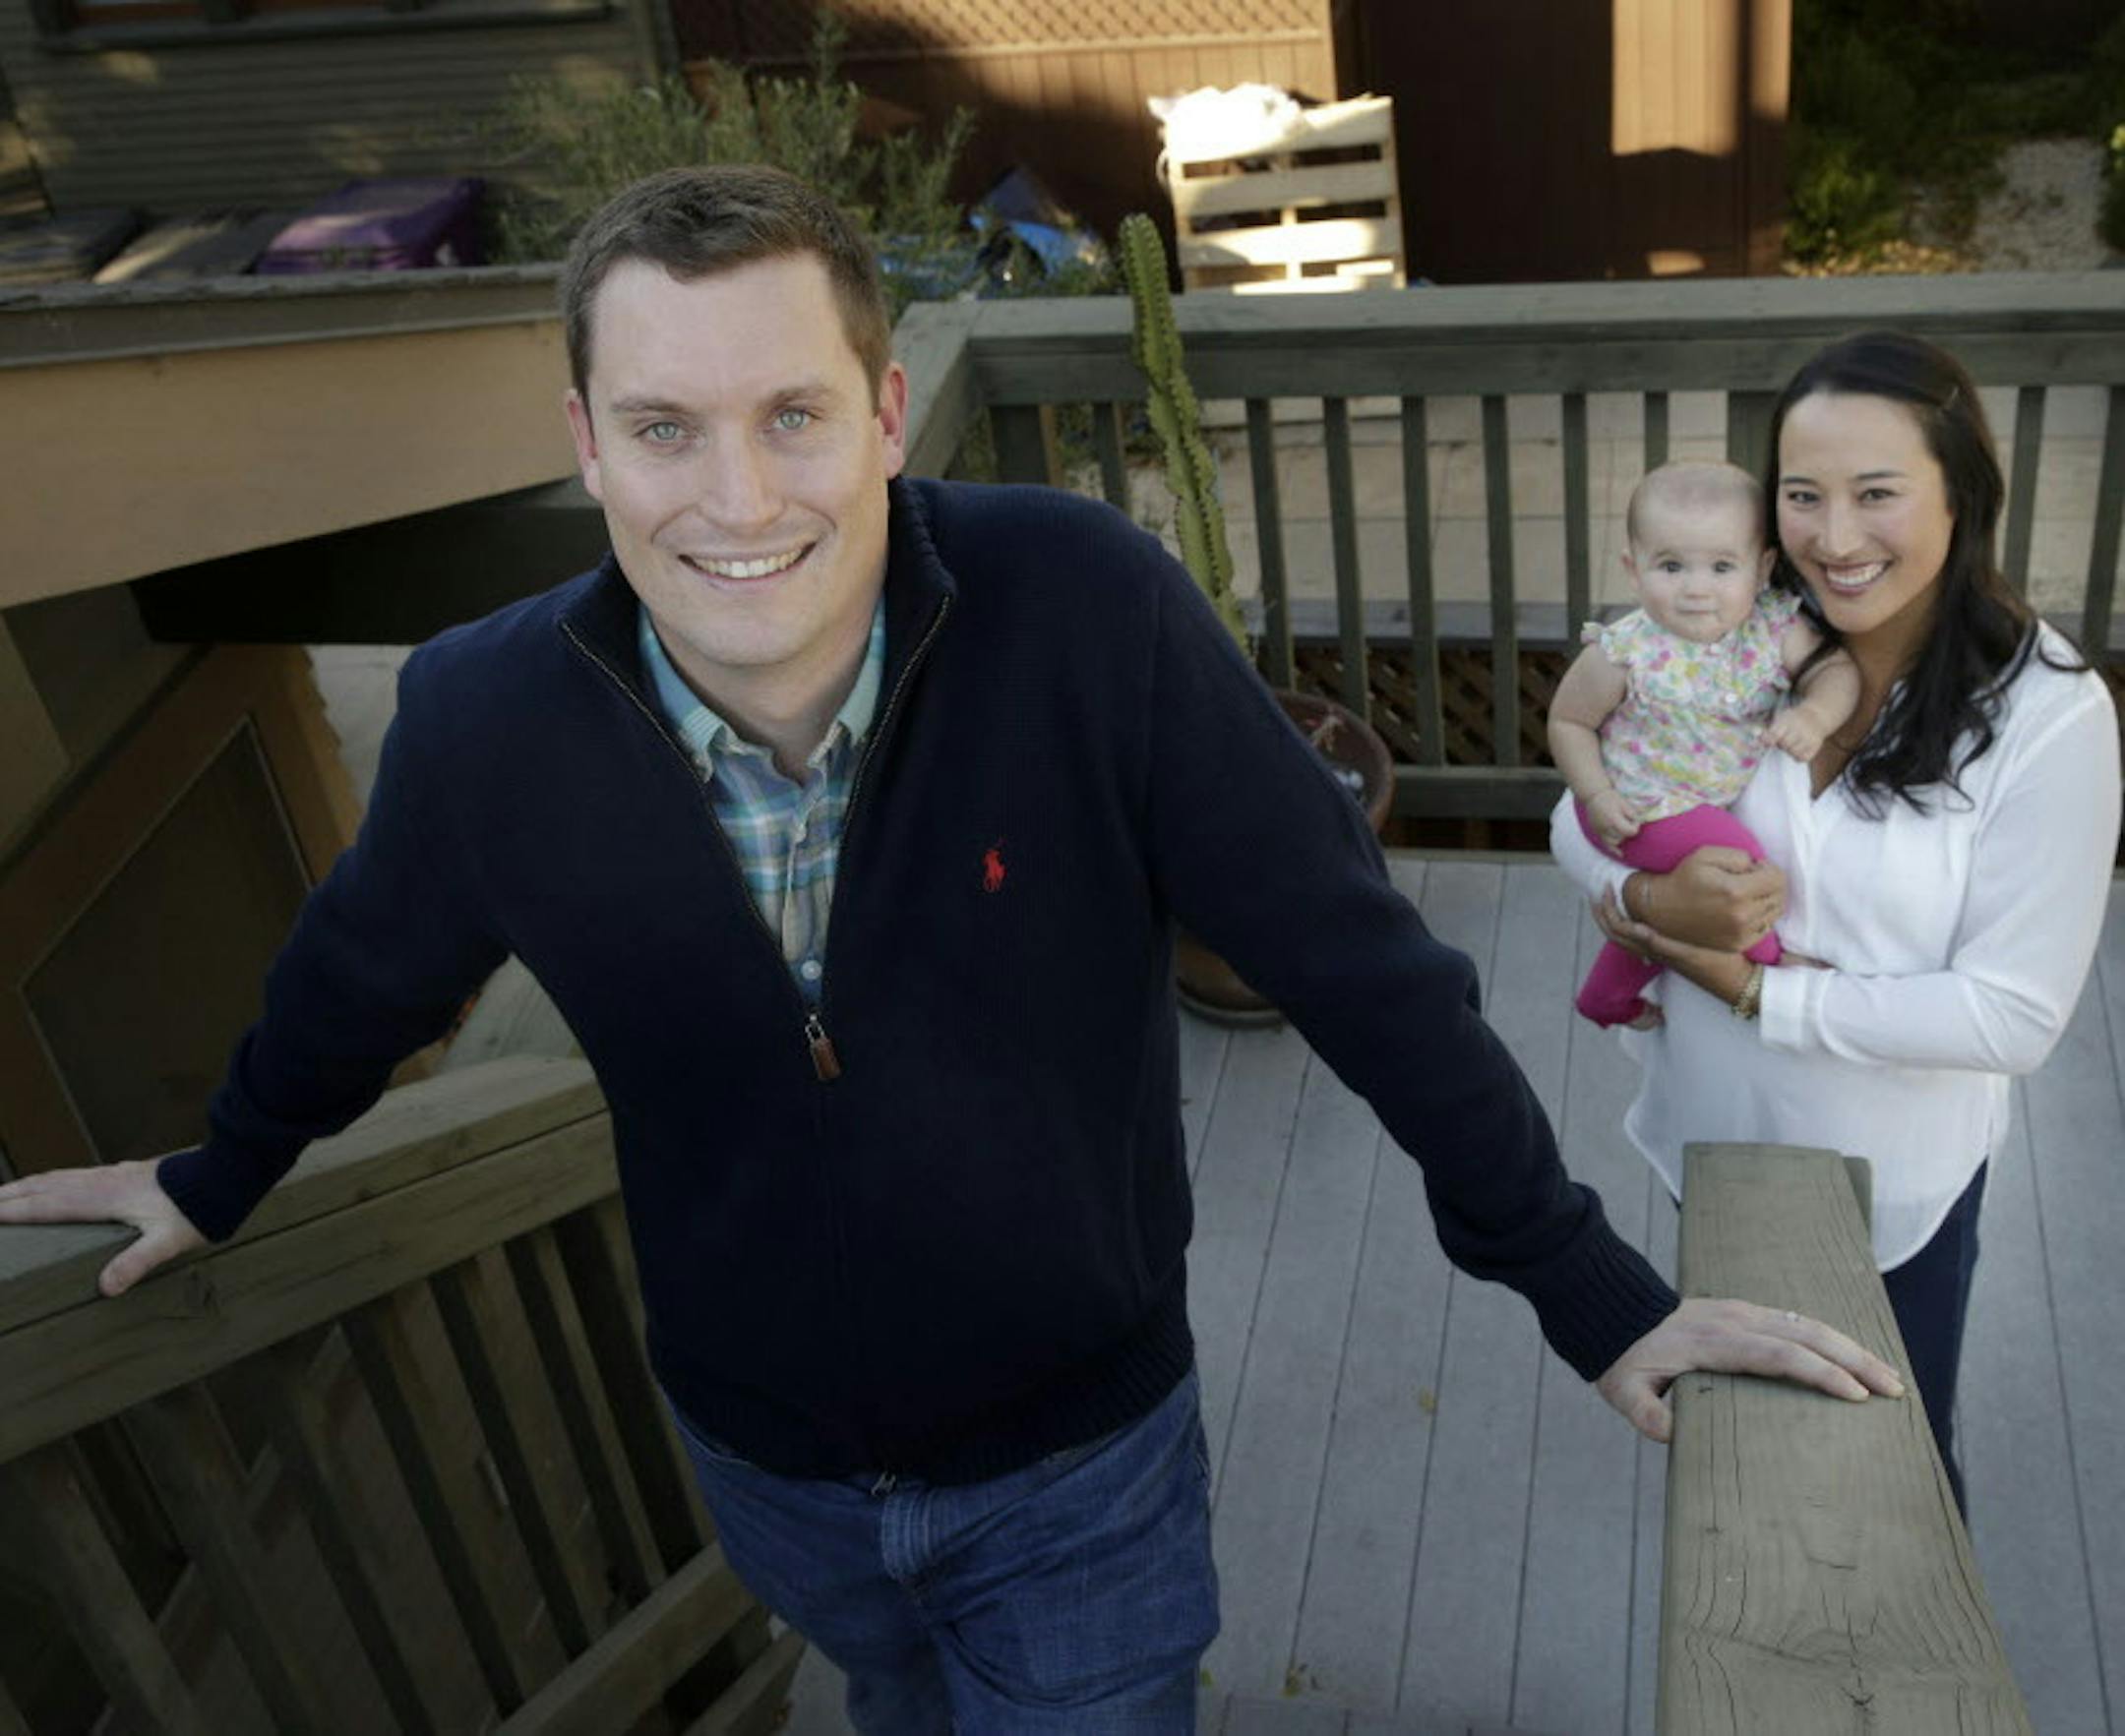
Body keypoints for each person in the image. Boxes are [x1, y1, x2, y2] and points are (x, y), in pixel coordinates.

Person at [0, 166, 1899, 1735]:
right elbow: (360, 975)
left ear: (888, 412)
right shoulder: (491, 724)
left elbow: (1360, 969)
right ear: (585, 443)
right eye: (664, 428)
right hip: (765, 1471)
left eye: (794, 416)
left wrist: (1594, 1286)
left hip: (1083, 1462)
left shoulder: (1085, 615)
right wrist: (220, 1169)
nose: (737, 502)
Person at [1551, 329, 2119, 1516]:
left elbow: (2011, 1014)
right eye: (1804, 497)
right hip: (1711, 1139)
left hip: (1890, 1187)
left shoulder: (2047, 715)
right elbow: (1581, 810)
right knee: (1746, 1472)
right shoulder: (1732, 623)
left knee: (1895, 1475)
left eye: (1878, 493)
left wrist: (1757, 985)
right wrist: (1654, 901)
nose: (1836, 537)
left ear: (1962, 493)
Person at [1548, 458, 1859, 1028]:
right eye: (1670, 565)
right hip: (1639, 808)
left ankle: (1605, 998)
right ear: (1633, 569)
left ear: (1761, 568)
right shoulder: (1624, 651)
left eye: (1721, 566)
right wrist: (1594, 795)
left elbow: (1836, 672)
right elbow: (1568, 721)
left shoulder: (1771, 629)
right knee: (1737, 867)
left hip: (1688, 805)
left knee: (1686, 906)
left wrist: (1814, 716)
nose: (1695, 589)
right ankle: (1772, 964)